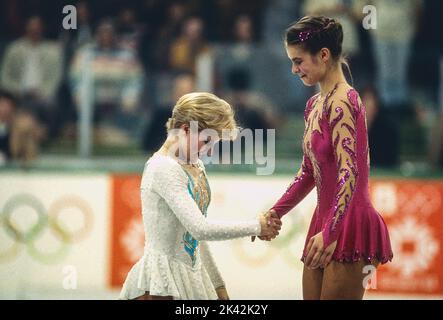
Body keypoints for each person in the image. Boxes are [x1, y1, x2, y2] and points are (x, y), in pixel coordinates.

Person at [256, 16, 393, 300]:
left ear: (324, 55)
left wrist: (332, 231)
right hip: (326, 219)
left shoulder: (345, 100)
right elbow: (308, 172)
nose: (294, 70)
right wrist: (276, 211)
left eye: (298, 61)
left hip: (350, 222)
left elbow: (349, 172)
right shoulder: (314, 105)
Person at [120, 92, 281, 300]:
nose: (209, 150)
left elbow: (196, 237)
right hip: (162, 282)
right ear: (186, 129)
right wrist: (257, 226)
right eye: (207, 141)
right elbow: (201, 229)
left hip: (192, 273)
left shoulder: (195, 164)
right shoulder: (163, 168)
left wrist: (218, 285)